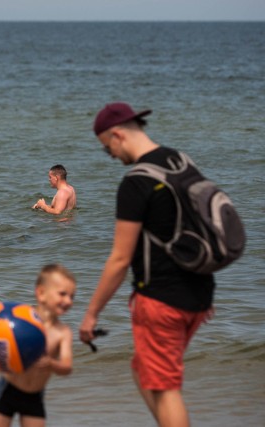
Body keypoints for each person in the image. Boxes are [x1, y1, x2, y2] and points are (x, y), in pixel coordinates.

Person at [79, 102, 215, 427]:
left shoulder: (136, 182)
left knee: (165, 387)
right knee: (144, 370)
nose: (110, 155)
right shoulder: (182, 162)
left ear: (117, 135)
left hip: (161, 300)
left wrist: (91, 314)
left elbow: (120, 258)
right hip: (200, 292)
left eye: (106, 147)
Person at [0, 264, 75, 427]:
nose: (68, 301)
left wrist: (51, 363)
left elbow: (67, 367)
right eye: (62, 294)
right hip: (9, 389)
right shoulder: (21, 319)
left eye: (72, 296)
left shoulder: (63, 332)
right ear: (41, 293)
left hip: (34, 396)